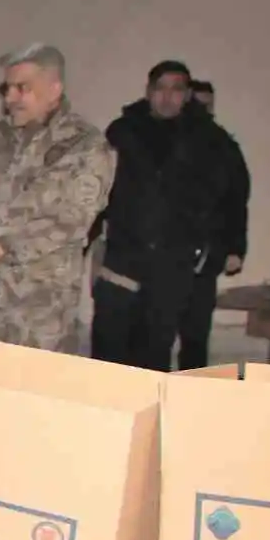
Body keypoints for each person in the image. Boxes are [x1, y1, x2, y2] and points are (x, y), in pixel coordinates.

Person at [0, 44, 115, 353]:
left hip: (38, 321)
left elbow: (70, 221)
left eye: (21, 88)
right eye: (7, 88)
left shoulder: (85, 147)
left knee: (32, 400)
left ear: (55, 89)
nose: (9, 98)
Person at [89, 61, 247, 370]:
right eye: (160, 88)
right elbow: (96, 192)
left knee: (153, 352)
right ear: (148, 92)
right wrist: (86, 240)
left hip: (173, 264)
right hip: (122, 258)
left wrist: (226, 248)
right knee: (109, 349)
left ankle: (151, 415)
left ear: (187, 94)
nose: (167, 97)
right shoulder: (123, 133)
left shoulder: (212, 142)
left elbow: (232, 198)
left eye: (176, 90)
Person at [174, 77, 249, 369]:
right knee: (158, 334)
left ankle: (192, 398)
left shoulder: (223, 147)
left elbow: (236, 201)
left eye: (207, 106)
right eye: (196, 104)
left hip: (205, 254)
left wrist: (235, 249)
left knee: (195, 336)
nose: (201, 112)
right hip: (167, 253)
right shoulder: (169, 141)